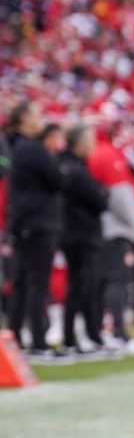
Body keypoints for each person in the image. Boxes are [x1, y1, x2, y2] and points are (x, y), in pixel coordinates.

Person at [6, 103, 65, 361]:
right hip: (37, 224)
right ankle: (37, 341)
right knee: (36, 284)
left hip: (25, 223)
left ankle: (17, 338)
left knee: (23, 283)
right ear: (25, 118)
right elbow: (57, 179)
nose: (42, 119)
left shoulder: (19, 146)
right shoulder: (30, 147)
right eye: (38, 114)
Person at [88, 126, 134, 355]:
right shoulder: (107, 154)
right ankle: (119, 334)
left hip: (96, 230)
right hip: (113, 230)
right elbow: (121, 197)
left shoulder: (93, 153)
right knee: (118, 282)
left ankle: (97, 333)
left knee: (99, 283)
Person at [58, 125, 110, 357]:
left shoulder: (70, 165)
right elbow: (100, 200)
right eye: (90, 140)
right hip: (81, 235)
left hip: (74, 234)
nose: (93, 145)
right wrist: (101, 192)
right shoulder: (76, 170)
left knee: (81, 286)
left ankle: (87, 336)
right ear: (79, 142)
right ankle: (75, 338)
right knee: (82, 287)